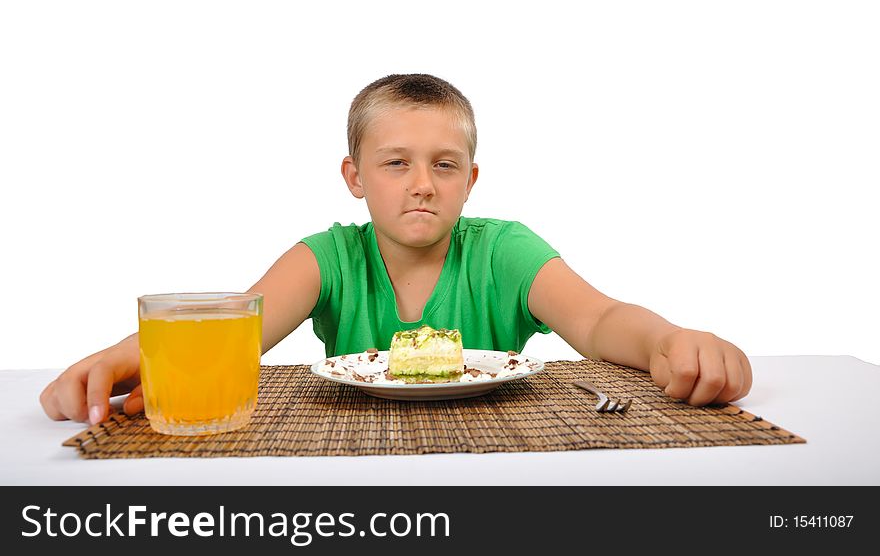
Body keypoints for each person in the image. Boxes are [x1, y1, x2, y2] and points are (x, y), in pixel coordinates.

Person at [40, 73, 752, 426]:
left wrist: (669, 337)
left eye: (445, 165)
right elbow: (236, 329)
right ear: (354, 177)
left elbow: (597, 323)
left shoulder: (503, 250)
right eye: (394, 163)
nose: (422, 186)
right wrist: (122, 358)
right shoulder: (326, 257)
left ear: (470, 181)